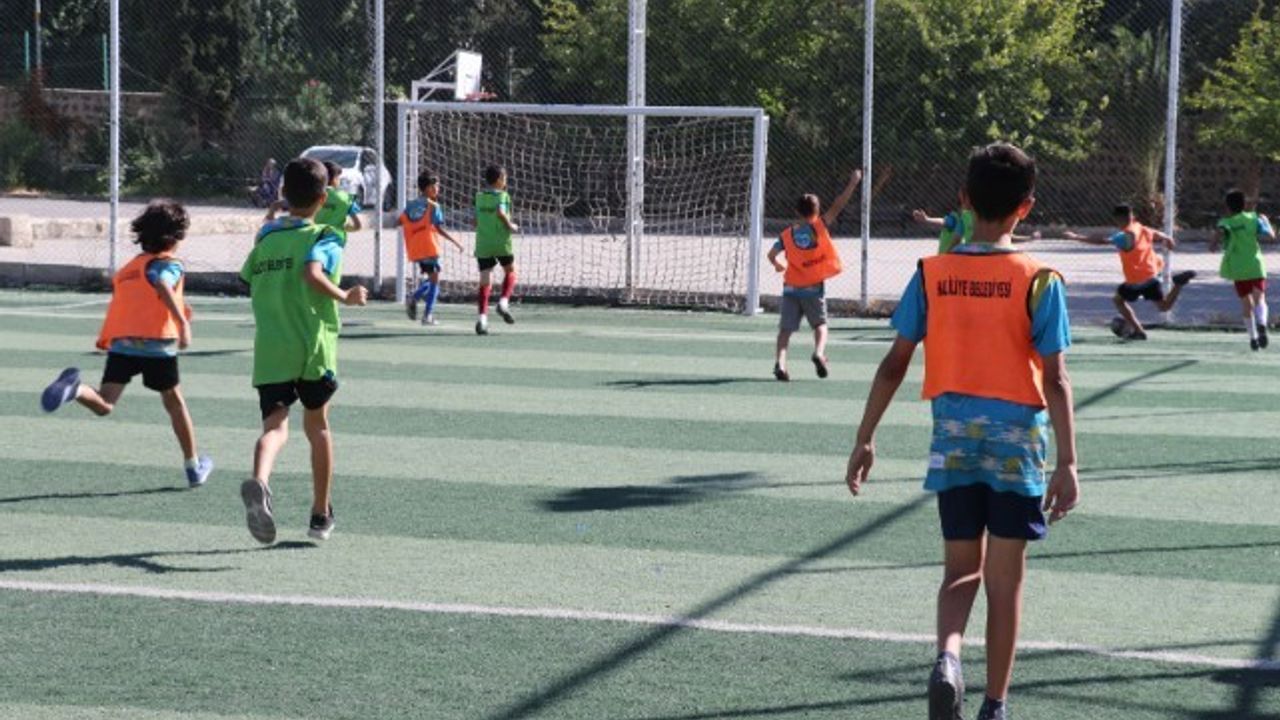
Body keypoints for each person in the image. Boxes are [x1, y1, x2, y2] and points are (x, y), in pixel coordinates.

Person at [845, 143, 1079, 720]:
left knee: (959, 570)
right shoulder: (1040, 279)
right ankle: (995, 705)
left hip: (953, 438)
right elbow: (1055, 379)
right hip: (1017, 444)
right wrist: (1068, 463)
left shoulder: (933, 273)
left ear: (963, 200)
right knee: (1005, 581)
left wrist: (865, 436)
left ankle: (948, 658)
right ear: (1026, 207)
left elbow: (894, 363)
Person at [239, 157, 369, 544]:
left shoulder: (266, 238)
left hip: (271, 348)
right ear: (323, 197)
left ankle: (260, 481)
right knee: (318, 427)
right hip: (312, 347)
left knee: (274, 427)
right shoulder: (325, 235)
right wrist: (345, 296)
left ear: (283, 194)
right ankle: (319, 515)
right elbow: (312, 273)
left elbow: (247, 276)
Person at [40, 201, 214, 489]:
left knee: (105, 404)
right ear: (175, 237)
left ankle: (76, 390)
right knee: (174, 404)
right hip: (156, 345)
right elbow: (162, 285)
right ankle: (193, 467)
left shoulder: (131, 268)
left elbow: (143, 297)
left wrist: (180, 307)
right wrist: (182, 321)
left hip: (123, 343)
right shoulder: (169, 264)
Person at [766, 168, 861, 381]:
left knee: (785, 330)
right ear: (817, 211)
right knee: (820, 325)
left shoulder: (787, 234)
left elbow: (771, 254)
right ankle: (819, 353)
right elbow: (838, 205)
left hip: (791, 289)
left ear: (797, 212)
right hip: (813, 289)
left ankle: (780, 363)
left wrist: (778, 264)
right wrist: (852, 183)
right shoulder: (819, 227)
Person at [1063, 204, 1195, 340]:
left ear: (1118, 218)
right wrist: (1167, 238)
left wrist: (1076, 237)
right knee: (1164, 307)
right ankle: (1178, 284)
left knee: (1118, 300)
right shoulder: (1141, 228)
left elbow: (1102, 241)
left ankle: (1139, 331)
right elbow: (1156, 234)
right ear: (1132, 216)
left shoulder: (1125, 235)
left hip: (1136, 280)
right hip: (1152, 275)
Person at [1210, 189, 1274, 350]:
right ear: (1244, 204)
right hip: (1255, 265)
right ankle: (1262, 325)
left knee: (1247, 303)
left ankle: (1253, 338)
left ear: (1227, 206)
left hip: (1238, 268)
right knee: (1260, 299)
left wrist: (1214, 243)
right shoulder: (1253, 218)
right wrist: (1266, 221)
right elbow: (1271, 236)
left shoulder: (1226, 222)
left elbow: (1219, 235)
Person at [401, 171, 464, 325]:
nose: (437, 188)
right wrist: (455, 241)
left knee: (433, 279)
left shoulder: (411, 204)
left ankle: (415, 299)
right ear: (426, 188)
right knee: (435, 281)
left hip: (417, 248)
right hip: (429, 247)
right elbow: (439, 229)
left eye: (438, 185)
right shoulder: (434, 206)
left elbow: (403, 221)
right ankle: (425, 312)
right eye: (434, 186)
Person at [474, 164, 520, 335]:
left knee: (485, 279)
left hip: (483, 243)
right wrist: (511, 225)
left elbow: (475, 221)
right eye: (505, 178)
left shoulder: (479, 197)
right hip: (501, 241)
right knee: (510, 271)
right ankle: (503, 302)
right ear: (500, 179)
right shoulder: (503, 195)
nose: (506, 181)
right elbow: (501, 212)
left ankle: (482, 319)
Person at [915, 196, 1039, 255]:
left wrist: (1029, 238)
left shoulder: (972, 218)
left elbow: (1006, 236)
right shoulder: (957, 219)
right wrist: (927, 219)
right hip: (953, 259)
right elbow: (944, 222)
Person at [313, 160, 364, 240]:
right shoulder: (347, 198)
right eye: (339, 178)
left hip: (312, 238)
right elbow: (358, 225)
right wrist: (342, 227)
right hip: (335, 240)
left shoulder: (311, 196)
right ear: (335, 179)